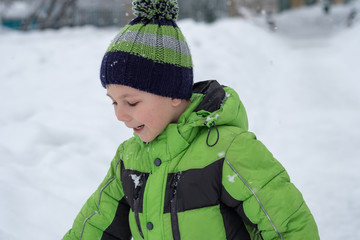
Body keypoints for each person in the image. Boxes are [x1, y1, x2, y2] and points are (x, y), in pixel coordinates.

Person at [63, 0, 319, 239]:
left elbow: (287, 226)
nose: (119, 115)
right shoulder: (128, 160)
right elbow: (95, 226)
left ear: (173, 94)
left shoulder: (228, 151)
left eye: (131, 102)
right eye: (113, 102)